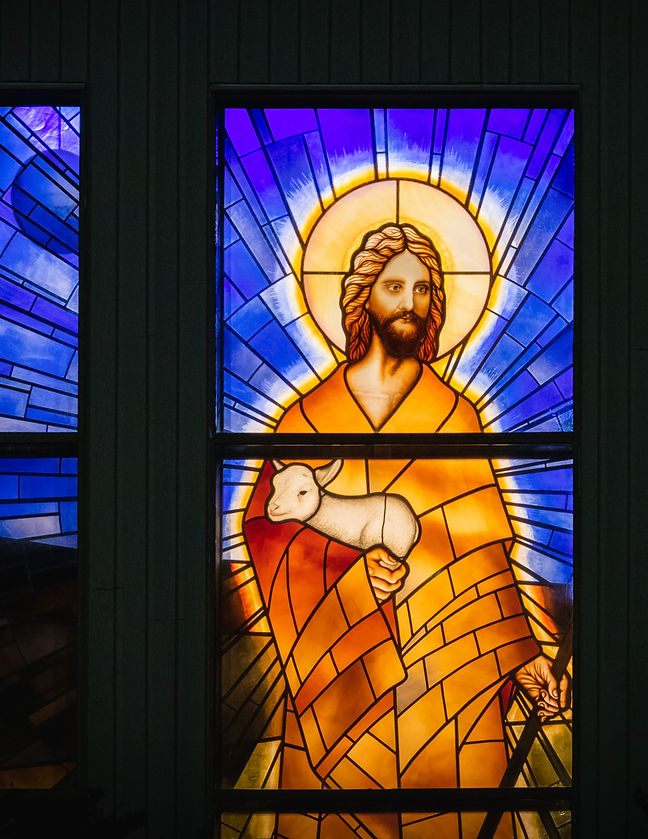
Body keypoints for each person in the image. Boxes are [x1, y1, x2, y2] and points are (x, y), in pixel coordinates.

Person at [241, 223, 568, 839]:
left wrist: (524, 658)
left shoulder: (456, 417)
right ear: (363, 294)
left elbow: (484, 558)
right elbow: (269, 535)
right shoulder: (305, 419)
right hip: (341, 680)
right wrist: (351, 578)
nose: (410, 303)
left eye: (423, 290)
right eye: (394, 286)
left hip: (449, 677)